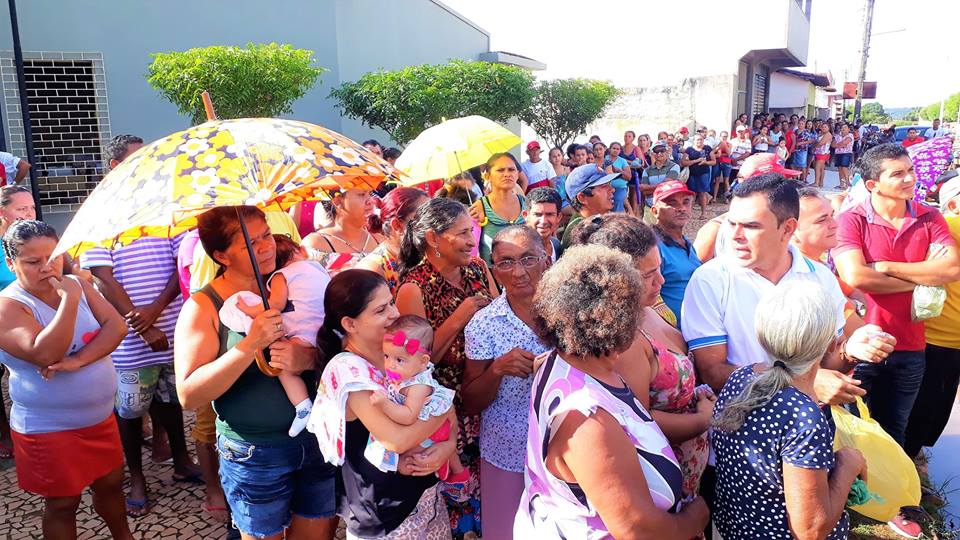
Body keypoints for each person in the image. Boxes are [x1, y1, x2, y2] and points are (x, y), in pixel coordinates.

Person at [514, 244, 710, 539]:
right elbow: (637, 529)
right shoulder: (587, 418)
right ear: (619, 320)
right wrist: (697, 516)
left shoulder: (565, 363)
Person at [175, 206, 337, 540]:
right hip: (255, 450)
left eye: (266, 235)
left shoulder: (290, 280)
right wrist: (250, 344)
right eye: (250, 242)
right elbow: (189, 394)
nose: (265, 247)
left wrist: (307, 359)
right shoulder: (204, 306)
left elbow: (338, 350)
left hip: (319, 437)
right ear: (221, 255)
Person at [80, 133, 198, 518]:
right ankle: (137, 478)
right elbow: (103, 277)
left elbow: (181, 260)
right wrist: (141, 323)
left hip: (173, 328)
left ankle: (181, 462)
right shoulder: (102, 215)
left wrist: (158, 309)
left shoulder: (165, 208)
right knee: (130, 410)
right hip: (131, 338)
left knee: (171, 400)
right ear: (116, 167)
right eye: (135, 160)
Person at [0, 220, 132, 539]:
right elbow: (45, 352)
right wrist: (70, 300)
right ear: (10, 263)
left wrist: (78, 361)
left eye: (54, 256)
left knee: (112, 485)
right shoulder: (8, 306)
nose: (47, 267)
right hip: (48, 427)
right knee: (63, 503)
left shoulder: (77, 284)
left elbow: (117, 327)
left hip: (99, 418)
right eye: (33, 261)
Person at [568, 215, 713, 497]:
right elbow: (639, 423)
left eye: (659, 268)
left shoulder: (649, 308)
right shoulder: (626, 341)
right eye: (647, 275)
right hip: (663, 484)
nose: (661, 280)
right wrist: (705, 420)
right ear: (614, 280)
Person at [712, 281, 867, 540]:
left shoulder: (741, 378)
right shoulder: (803, 418)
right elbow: (810, 529)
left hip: (732, 529)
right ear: (831, 343)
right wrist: (847, 464)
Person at [310, 270, 458, 539]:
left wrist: (447, 446)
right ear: (350, 324)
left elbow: (435, 401)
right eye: (381, 310)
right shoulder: (348, 370)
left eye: (391, 302)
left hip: (424, 496)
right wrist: (445, 409)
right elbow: (396, 440)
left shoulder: (395, 353)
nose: (394, 313)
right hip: (385, 514)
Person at [834, 144, 960, 449]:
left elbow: (952, 269)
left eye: (911, 170)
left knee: (896, 433)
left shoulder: (929, 217)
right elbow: (856, 276)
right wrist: (923, 277)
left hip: (911, 345)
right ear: (872, 185)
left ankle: (897, 493)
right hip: (862, 345)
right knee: (855, 431)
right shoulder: (853, 219)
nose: (909, 179)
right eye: (898, 174)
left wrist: (887, 267)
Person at [396, 197, 498, 538]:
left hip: (488, 395)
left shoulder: (478, 269)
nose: (472, 241)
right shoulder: (413, 287)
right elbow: (418, 363)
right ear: (433, 239)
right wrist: (461, 315)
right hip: (447, 413)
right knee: (458, 496)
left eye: (472, 231)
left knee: (493, 488)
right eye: (462, 233)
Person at [461, 225, 550, 540]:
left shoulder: (568, 313)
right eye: (506, 262)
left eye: (528, 259)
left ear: (546, 259)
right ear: (495, 271)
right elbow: (470, 401)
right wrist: (497, 370)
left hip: (565, 449)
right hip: (508, 450)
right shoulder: (484, 325)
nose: (519, 271)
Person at [217, 235, 331, 438]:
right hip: (326, 328)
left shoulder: (281, 275)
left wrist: (248, 309)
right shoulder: (317, 268)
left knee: (283, 365)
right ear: (301, 251)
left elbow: (274, 305)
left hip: (303, 332)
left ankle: (303, 406)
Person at [366, 315, 469, 497]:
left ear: (423, 361)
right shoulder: (407, 375)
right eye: (386, 356)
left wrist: (384, 404)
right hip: (428, 427)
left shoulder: (418, 386)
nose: (390, 365)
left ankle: (452, 473)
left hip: (429, 431)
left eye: (400, 360)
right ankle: (453, 470)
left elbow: (408, 416)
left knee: (410, 462)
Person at [906, 175, 960, 460]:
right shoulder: (948, 226)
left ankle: (911, 465)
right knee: (923, 412)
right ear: (953, 203)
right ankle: (903, 476)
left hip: (949, 342)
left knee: (933, 413)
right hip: (936, 341)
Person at [357, 187, 430, 294]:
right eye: (425, 218)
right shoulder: (373, 270)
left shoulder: (431, 249)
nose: (434, 222)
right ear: (397, 226)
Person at [651, 181, 702, 325]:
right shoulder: (653, 246)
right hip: (673, 334)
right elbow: (648, 301)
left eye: (686, 202)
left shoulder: (685, 242)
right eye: (672, 203)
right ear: (655, 211)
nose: (681, 208)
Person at [304, 188, 384, 274]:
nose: (370, 201)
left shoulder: (380, 240)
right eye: (361, 194)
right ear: (338, 201)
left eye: (370, 194)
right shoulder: (316, 244)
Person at [469, 153, 527, 264]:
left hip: (524, 271)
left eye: (511, 169)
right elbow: (471, 248)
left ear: (517, 174)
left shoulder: (525, 203)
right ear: (487, 176)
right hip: (492, 275)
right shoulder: (479, 207)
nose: (507, 174)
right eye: (500, 170)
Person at [560, 164, 616, 248]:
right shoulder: (581, 233)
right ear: (582, 197)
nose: (612, 189)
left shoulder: (594, 221)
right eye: (604, 186)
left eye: (609, 184)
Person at [0, 185, 36, 290]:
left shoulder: (42, 239)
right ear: (1, 212)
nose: (30, 214)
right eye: (22, 209)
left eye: (33, 207)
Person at [681, 134, 717, 219]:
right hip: (692, 174)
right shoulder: (689, 150)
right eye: (697, 140)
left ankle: (703, 213)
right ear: (694, 140)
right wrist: (696, 161)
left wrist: (705, 163)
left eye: (701, 139)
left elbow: (714, 161)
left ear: (703, 140)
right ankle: (689, 213)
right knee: (692, 194)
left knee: (702, 193)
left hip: (704, 173)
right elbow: (683, 162)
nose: (699, 141)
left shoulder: (707, 148)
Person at [524, 187, 563, 262]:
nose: (543, 221)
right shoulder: (518, 252)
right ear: (526, 215)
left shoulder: (557, 246)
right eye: (538, 214)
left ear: (558, 217)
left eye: (550, 214)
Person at [640, 140, 681, 208]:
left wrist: (648, 189)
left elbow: (667, 186)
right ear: (653, 153)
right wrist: (663, 187)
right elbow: (643, 191)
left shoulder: (674, 166)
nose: (659, 153)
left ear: (667, 152)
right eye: (656, 151)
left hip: (668, 206)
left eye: (662, 150)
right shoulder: (647, 170)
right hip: (650, 206)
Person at [605, 141, 635, 214]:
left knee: (618, 200)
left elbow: (629, 177)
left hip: (620, 188)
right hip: (605, 187)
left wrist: (619, 171)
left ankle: (618, 221)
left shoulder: (622, 161)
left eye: (618, 149)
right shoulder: (604, 159)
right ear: (609, 149)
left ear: (620, 151)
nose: (615, 150)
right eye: (614, 148)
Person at [832, 124, 855, 189]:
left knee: (844, 168)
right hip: (838, 154)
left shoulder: (850, 135)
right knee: (840, 169)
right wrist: (840, 144)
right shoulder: (837, 136)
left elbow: (844, 143)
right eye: (842, 128)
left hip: (846, 154)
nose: (843, 129)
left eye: (845, 127)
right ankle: (842, 184)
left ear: (848, 129)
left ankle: (848, 183)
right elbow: (833, 145)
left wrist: (839, 144)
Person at [812, 121, 833, 189]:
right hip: (820, 153)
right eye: (822, 127)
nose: (823, 128)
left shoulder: (828, 134)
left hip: (822, 153)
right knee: (820, 168)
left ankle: (816, 182)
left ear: (828, 128)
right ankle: (820, 182)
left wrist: (814, 147)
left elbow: (821, 143)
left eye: (825, 127)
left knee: (818, 168)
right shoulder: (822, 134)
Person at [714, 131, 732, 202]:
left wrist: (724, 145)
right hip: (718, 162)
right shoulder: (717, 144)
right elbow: (715, 153)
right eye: (723, 136)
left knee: (726, 181)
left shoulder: (729, 144)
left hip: (726, 163)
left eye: (725, 136)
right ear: (720, 137)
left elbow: (728, 153)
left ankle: (727, 198)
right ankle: (715, 197)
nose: (724, 138)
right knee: (717, 180)